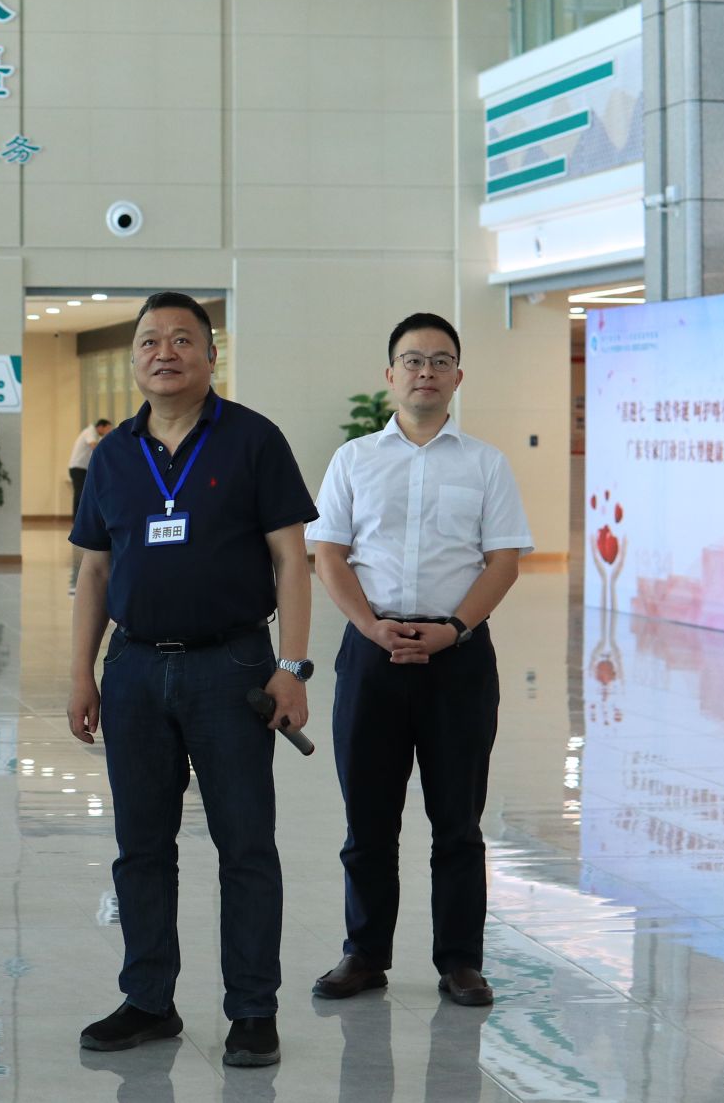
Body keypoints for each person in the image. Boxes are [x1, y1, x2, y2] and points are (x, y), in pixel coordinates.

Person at [67, 291, 316, 1068]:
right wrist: (80, 673)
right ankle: (148, 999)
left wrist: (292, 666)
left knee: (245, 844)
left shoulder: (253, 439)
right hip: (134, 668)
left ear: (211, 355)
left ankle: (252, 1009)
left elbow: (291, 559)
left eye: (182, 339)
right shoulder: (113, 455)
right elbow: (94, 570)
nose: (164, 352)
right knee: (141, 845)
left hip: (231, 665)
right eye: (149, 341)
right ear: (134, 359)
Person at [306, 313, 530, 1009]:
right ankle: (364, 954)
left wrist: (455, 628)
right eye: (412, 360)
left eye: (439, 360)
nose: (425, 371)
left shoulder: (486, 463)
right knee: (368, 820)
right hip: (371, 653)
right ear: (390, 374)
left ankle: (461, 961)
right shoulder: (354, 460)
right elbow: (328, 553)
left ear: (458, 376)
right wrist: (369, 626)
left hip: (457, 658)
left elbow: (503, 561)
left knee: (457, 821)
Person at [68, 419, 113, 592]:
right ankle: (77, 522)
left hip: (81, 468)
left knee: (81, 495)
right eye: (108, 429)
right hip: (78, 468)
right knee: (80, 496)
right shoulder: (91, 432)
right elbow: (95, 446)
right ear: (101, 426)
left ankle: (77, 520)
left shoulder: (92, 432)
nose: (108, 432)